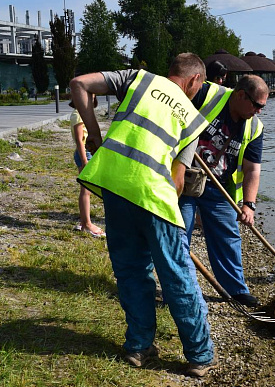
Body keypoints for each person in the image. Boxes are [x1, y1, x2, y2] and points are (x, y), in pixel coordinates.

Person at [69, 53, 218, 377]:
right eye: (200, 85)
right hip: (154, 196)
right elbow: (178, 180)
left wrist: (94, 133)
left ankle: (138, 346)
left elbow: (79, 84)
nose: (198, 90)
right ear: (194, 79)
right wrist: (169, 217)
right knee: (177, 275)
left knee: (131, 271)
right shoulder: (192, 119)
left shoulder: (137, 79)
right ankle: (199, 356)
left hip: (114, 186)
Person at [178, 74, 267, 308]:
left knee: (229, 238)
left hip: (218, 188)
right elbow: (175, 105)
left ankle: (236, 290)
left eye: (262, 107)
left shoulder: (255, 128)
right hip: (185, 179)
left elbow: (252, 170)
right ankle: (179, 291)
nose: (258, 112)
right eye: (257, 105)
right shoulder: (208, 94)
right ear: (240, 95)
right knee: (180, 234)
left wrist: (249, 204)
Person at [69, 96, 105, 237]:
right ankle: (86, 224)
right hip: (84, 153)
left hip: (85, 153)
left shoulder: (80, 114)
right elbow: (79, 140)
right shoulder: (78, 115)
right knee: (86, 190)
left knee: (87, 190)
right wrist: (84, 160)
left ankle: (85, 221)